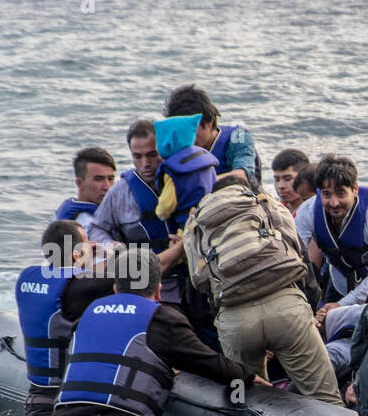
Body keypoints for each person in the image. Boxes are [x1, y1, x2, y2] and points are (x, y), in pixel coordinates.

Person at [44, 246, 267, 416]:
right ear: (159, 290)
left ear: (115, 288)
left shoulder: (87, 315)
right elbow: (209, 363)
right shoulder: (161, 318)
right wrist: (247, 376)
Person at [184, 176, 343, 405]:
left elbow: (198, 285)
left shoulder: (200, 221)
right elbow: (302, 263)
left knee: (242, 401)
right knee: (327, 400)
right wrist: (308, 309)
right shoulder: (264, 203)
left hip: (236, 323)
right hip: (288, 311)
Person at [15, 219, 117, 416]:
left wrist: (84, 257)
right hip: (61, 413)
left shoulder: (26, 278)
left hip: (35, 406)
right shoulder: (75, 288)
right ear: (76, 253)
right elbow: (138, 276)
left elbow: (73, 279)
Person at [308, 154, 368, 378]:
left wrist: (340, 306)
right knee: (321, 329)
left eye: (341, 193)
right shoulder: (306, 213)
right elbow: (297, 261)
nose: (333, 203)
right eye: (326, 194)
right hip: (340, 279)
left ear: (355, 190)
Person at [88, 119, 188, 304]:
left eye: (152, 155)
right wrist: (111, 247)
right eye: (137, 157)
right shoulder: (121, 191)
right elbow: (96, 228)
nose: (145, 163)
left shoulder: (184, 180)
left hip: (187, 275)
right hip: (144, 284)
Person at [164, 84, 262, 188]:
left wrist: (195, 186)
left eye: (191, 131)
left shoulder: (238, 136)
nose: (185, 138)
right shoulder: (176, 144)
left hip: (240, 198)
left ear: (209, 122)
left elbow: (241, 175)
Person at [54, 147, 117, 229]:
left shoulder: (66, 211)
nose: (107, 187)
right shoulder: (86, 225)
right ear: (80, 183)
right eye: (98, 179)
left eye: (110, 179)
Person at [271, 148, 310, 215]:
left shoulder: (316, 212)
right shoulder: (274, 211)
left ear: (305, 177)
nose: (281, 186)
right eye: (277, 179)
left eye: (287, 179)